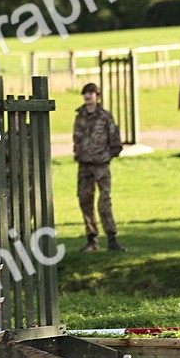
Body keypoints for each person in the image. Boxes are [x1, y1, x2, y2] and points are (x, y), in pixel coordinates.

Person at [73, 82, 125, 252]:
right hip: (84, 165)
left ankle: (111, 238)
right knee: (84, 200)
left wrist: (107, 156)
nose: (88, 96)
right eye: (85, 93)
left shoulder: (105, 116)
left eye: (91, 93)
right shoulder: (79, 116)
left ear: (97, 96)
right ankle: (91, 238)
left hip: (101, 165)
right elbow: (77, 138)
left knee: (104, 202)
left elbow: (115, 140)